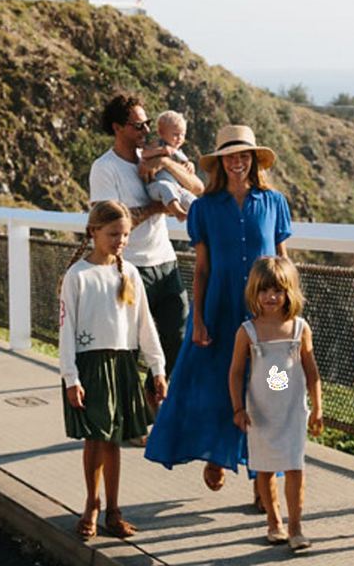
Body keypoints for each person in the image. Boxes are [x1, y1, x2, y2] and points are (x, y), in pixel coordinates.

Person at [144, 124, 292, 496]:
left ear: (254, 159)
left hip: (266, 313)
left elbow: (283, 260)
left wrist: (290, 311)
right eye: (231, 156)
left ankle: (265, 480)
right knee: (215, 387)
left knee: (272, 388)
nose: (238, 162)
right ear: (220, 162)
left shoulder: (274, 202)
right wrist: (199, 319)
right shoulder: (205, 209)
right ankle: (217, 454)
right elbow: (204, 269)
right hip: (220, 310)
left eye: (244, 155)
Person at [59, 201, 167, 540]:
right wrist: (71, 378)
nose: (120, 240)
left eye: (124, 235)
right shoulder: (77, 276)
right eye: (113, 234)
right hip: (90, 366)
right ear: (94, 232)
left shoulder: (129, 273)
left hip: (122, 365)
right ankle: (92, 504)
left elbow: (144, 324)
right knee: (95, 437)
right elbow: (66, 330)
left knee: (115, 440)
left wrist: (157, 367)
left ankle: (114, 510)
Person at [89, 94, 199, 416]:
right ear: (117, 127)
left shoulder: (153, 157)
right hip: (128, 268)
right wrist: (157, 207)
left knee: (176, 340)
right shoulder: (104, 169)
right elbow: (108, 219)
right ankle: (130, 417)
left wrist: (167, 163)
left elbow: (197, 187)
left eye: (148, 123)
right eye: (139, 125)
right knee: (129, 346)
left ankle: (154, 410)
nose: (146, 129)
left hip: (165, 262)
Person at [229, 256, 323, 552]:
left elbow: (311, 371)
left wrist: (317, 406)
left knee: (295, 467)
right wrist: (237, 409)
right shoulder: (248, 331)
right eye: (264, 290)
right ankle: (274, 521)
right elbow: (235, 373)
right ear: (254, 292)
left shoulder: (299, 329)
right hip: (260, 413)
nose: (271, 297)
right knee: (265, 469)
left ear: (289, 292)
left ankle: (295, 525)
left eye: (278, 290)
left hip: (293, 412)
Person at [142, 110, 197, 221]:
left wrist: (190, 165)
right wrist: (161, 151)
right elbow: (144, 153)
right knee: (166, 187)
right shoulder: (158, 145)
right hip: (156, 186)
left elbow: (192, 178)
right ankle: (178, 213)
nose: (180, 138)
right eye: (175, 134)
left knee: (191, 199)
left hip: (177, 188)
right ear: (161, 133)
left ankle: (203, 219)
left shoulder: (179, 152)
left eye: (182, 134)